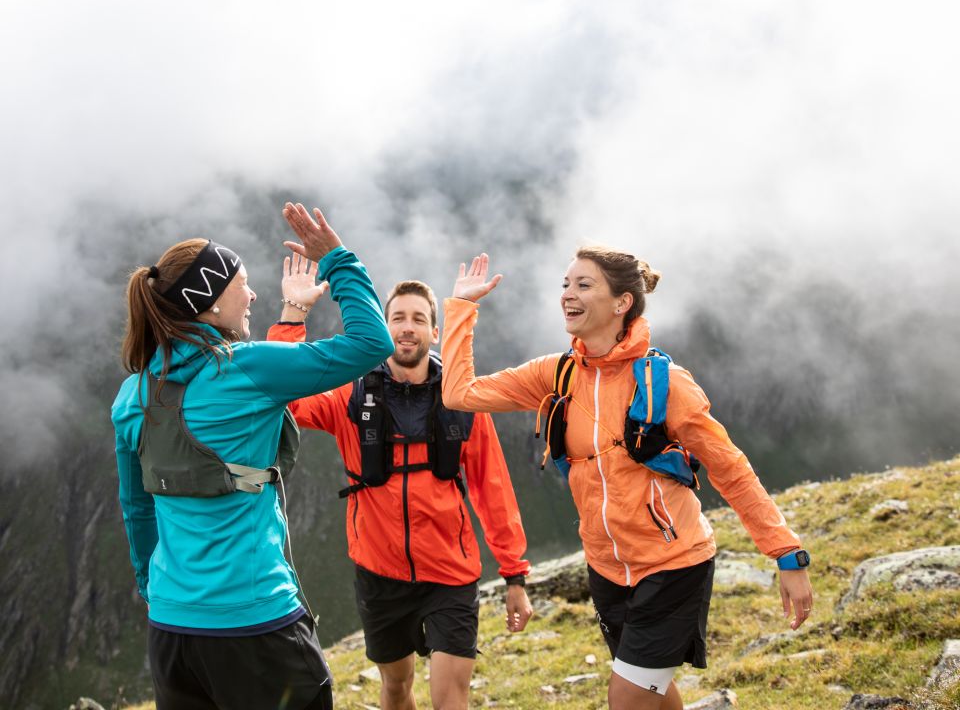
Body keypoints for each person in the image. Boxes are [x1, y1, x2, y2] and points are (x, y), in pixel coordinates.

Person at [441, 250, 814, 710]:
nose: (567, 296)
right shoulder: (554, 374)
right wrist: (462, 308)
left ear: (621, 304)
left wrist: (786, 553)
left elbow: (729, 468)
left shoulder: (665, 384)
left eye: (583, 285)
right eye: (565, 284)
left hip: (674, 566)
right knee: (650, 690)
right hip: (606, 570)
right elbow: (460, 394)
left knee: (627, 698)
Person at [112, 203, 394, 710]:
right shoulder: (246, 369)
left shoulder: (131, 395)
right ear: (209, 302)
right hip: (255, 622)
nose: (253, 293)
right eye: (242, 282)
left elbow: (137, 510)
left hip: (172, 631)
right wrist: (337, 259)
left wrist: (153, 588)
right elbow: (372, 343)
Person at [269, 278, 534, 710]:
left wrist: (515, 575)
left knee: (451, 699)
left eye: (418, 319)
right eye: (397, 318)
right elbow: (289, 394)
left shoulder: (462, 400)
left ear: (434, 331)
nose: (407, 328)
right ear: (383, 327)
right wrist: (292, 316)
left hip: (451, 573)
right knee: (396, 689)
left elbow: (493, 489)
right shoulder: (351, 394)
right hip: (379, 572)